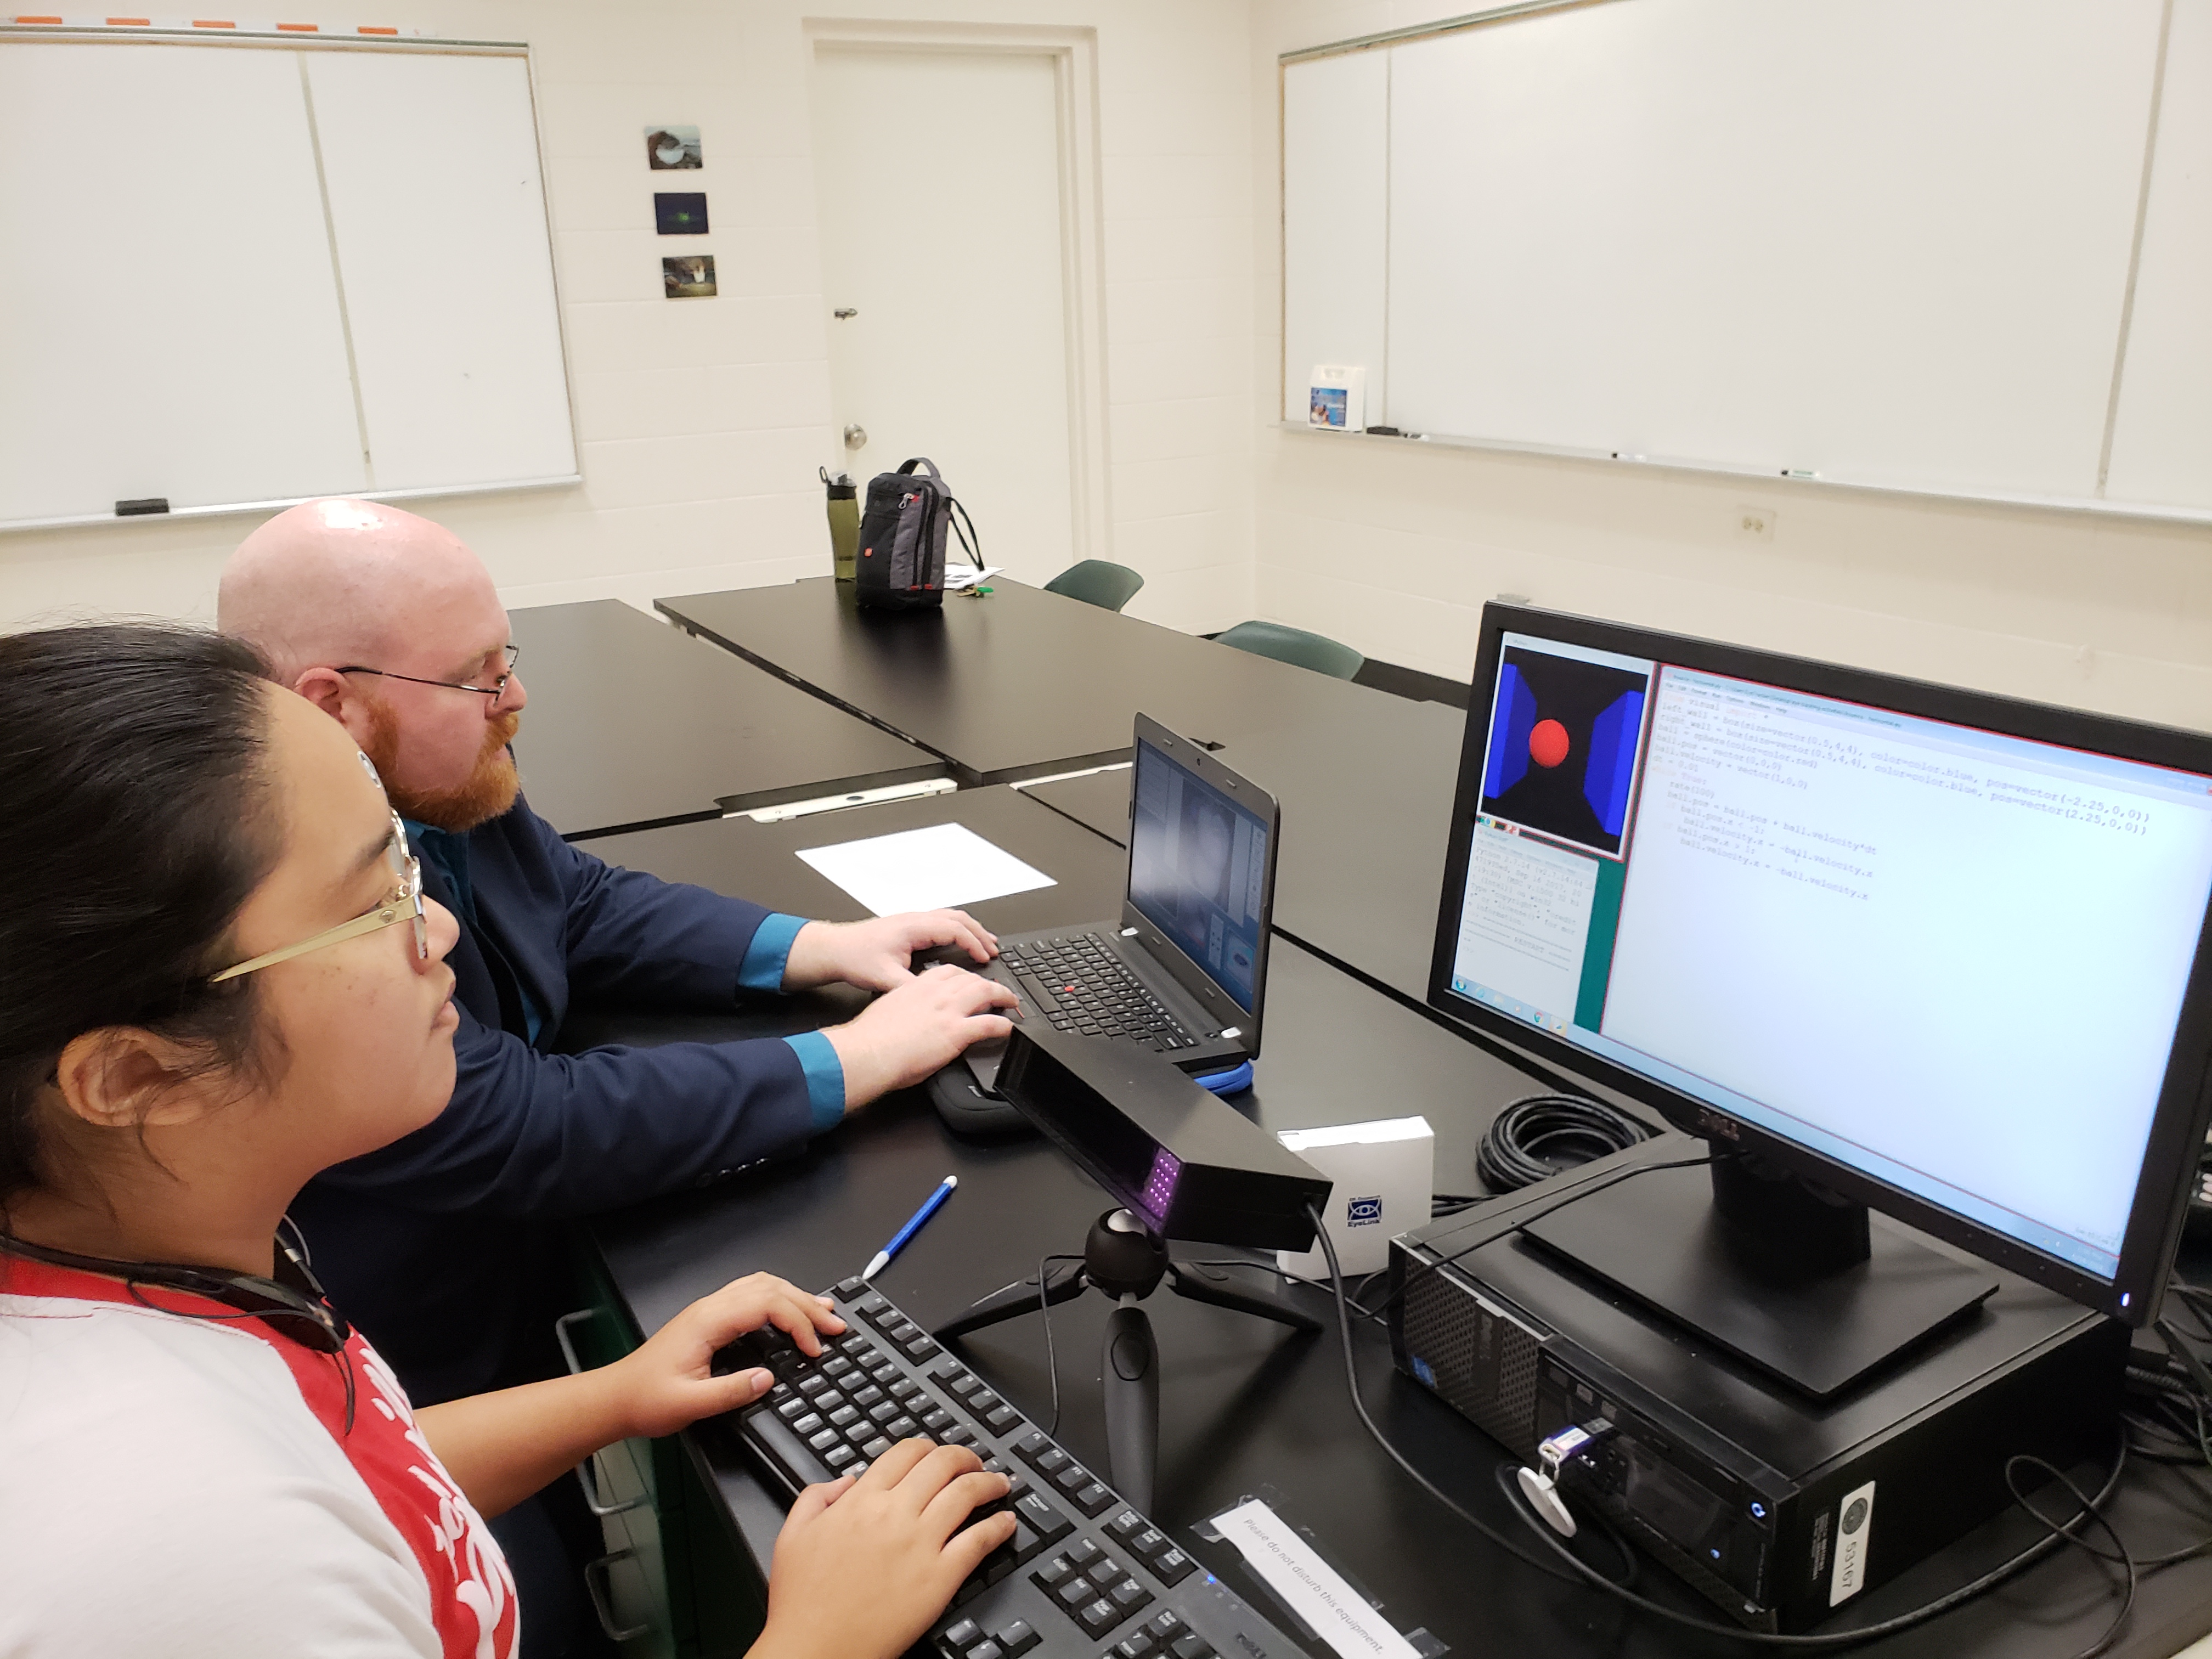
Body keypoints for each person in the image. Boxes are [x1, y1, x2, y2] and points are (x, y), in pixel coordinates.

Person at [0, 623, 1016, 1659]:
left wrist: (614, 1395)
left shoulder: (148, 1255)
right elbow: (271, 1521)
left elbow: (345, 1458)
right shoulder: (199, 1569)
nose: (437, 929)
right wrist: (817, 1640)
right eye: (374, 903)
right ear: (136, 1075)